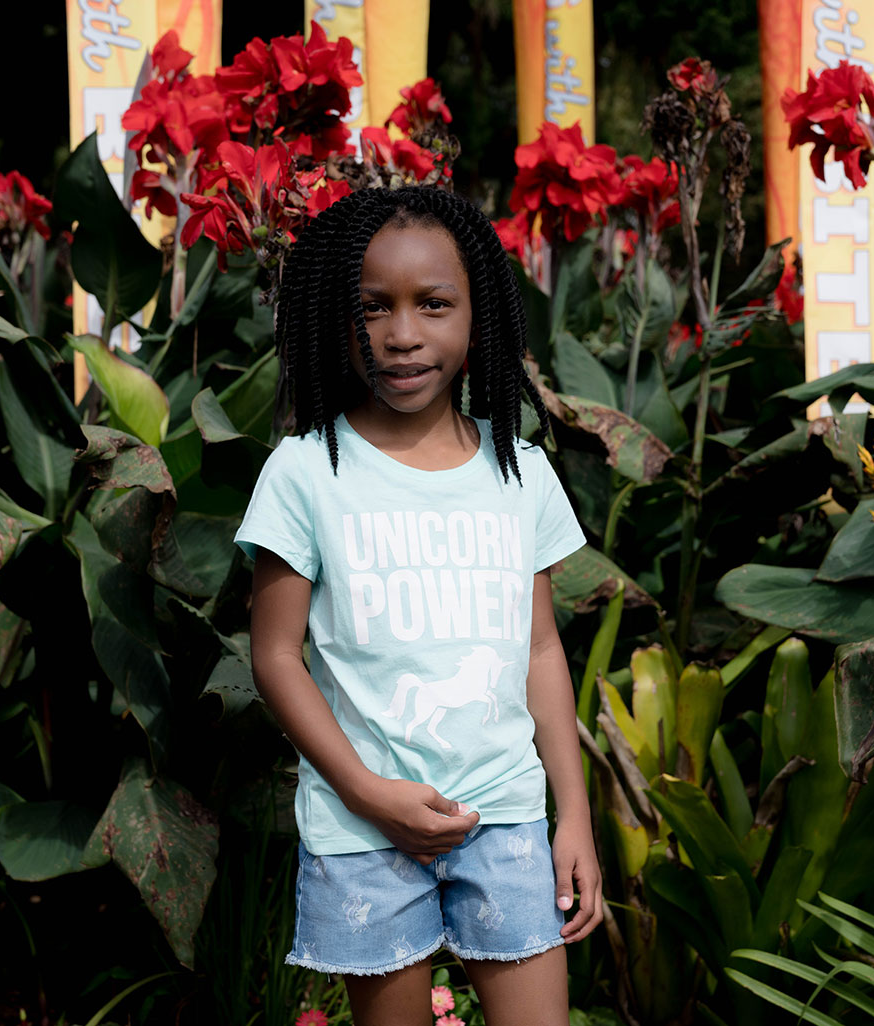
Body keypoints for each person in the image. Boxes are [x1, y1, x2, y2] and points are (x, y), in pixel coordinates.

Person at [235, 185, 603, 1026]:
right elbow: (275, 656)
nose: (402, 334)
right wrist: (369, 793)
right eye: (373, 307)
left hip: (503, 818)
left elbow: (540, 650)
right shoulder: (305, 472)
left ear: (480, 316)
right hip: (362, 832)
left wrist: (573, 816)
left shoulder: (520, 473)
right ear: (338, 318)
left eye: (433, 304)